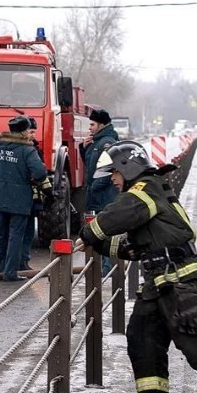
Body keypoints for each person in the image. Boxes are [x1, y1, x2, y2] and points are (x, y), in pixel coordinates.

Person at [79, 140, 197, 393]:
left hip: (182, 278)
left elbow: (120, 214)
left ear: (129, 168)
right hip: (157, 281)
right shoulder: (145, 196)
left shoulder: (145, 189)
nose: (113, 179)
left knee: (192, 339)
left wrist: (90, 231)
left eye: (115, 172)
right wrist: (101, 244)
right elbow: (128, 243)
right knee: (142, 341)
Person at [0, 115, 47, 282]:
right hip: (19, 199)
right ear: (23, 131)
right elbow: (40, 173)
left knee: (0, 234)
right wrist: (29, 177)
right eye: (28, 130)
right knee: (15, 235)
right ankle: (10, 272)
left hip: (0, 196)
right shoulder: (28, 150)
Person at [80, 108, 120, 274]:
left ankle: (107, 267)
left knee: (105, 230)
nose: (89, 127)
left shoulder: (107, 142)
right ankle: (104, 266)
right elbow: (90, 164)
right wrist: (83, 149)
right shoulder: (96, 141)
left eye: (92, 124)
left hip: (105, 195)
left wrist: (94, 187)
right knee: (100, 229)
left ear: (102, 125)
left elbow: (107, 170)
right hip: (98, 194)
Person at [20, 117, 53, 271]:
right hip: (26, 195)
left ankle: (23, 261)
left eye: (34, 132)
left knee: (26, 231)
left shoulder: (35, 149)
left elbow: (42, 173)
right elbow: (39, 173)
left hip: (33, 197)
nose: (33, 135)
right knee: (22, 231)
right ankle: (20, 262)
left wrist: (48, 192)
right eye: (31, 131)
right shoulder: (26, 150)